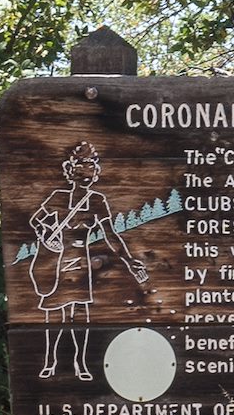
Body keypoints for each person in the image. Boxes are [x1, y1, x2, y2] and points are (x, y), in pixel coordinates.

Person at [28, 142, 147, 380]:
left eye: (92, 166)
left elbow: (111, 235)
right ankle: (50, 362)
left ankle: (80, 364)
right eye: (83, 166)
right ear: (72, 170)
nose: (88, 171)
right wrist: (46, 235)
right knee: (55, 313)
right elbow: (35, 220)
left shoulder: (97, 201)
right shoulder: (58, 197)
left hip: (82, 263)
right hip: (58, 261)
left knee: (79, 313)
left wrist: (130, 260)